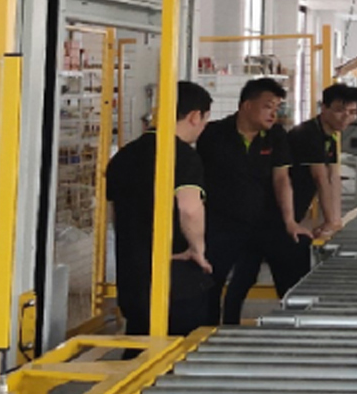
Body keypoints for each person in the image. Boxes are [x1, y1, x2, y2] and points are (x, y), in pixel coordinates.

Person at [198, 77, 310, 325]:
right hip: (221, 223)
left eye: (277, 107)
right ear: (247, 105)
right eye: (268, 106)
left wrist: (290, 222)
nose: (273, 114)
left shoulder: (276, 136)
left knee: (282, 267)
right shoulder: (213, 134)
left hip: (263, 222)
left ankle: (295, 326)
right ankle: (208, 333)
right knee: (211, 282)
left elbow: (281, 179)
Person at [105, 80, 214, 336]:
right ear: (194, 116)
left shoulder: (123, 156)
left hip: (132, 275)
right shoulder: (182, 156)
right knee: (184, 347)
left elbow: (114, 214)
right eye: (205, 119)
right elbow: (189, 208)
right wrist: (197, 249)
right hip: (175, 277)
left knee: (140, 343)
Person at [278, 84, 357, 288]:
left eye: (352, 112)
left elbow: (333, 177)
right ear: (323, 108)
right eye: (339, 110)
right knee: (288, 269)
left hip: (294, 210)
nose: (346, 117)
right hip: (278, 211)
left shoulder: (330, 136)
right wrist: (329, 221)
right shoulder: (307, 134)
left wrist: (335, 220)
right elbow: (320, 178)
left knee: (254, 267)